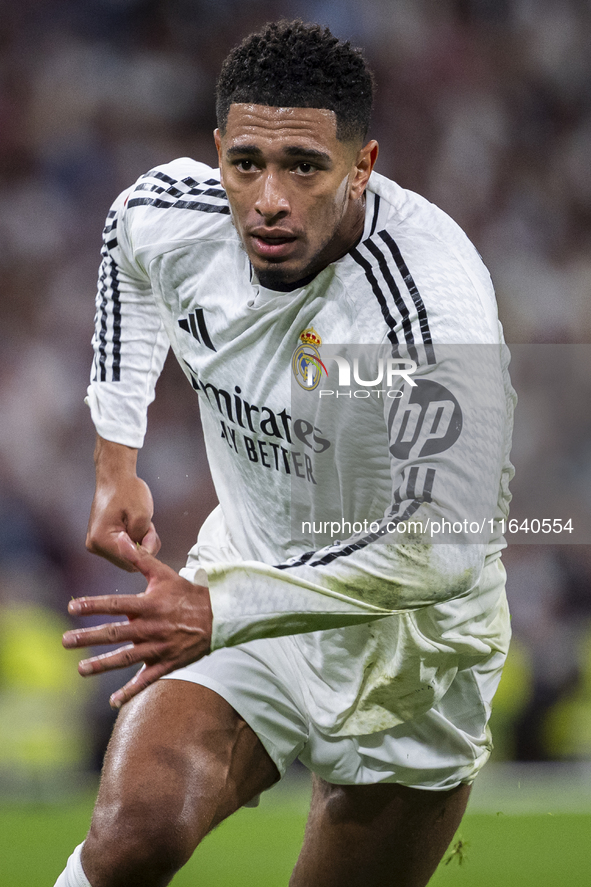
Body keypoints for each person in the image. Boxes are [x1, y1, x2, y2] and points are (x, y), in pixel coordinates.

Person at [55, 19, 514, 887]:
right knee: (129, 840)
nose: (269, 198)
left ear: (362, 166)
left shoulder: (430, 308)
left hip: (405, 642)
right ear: (219, 150)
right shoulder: (173, 215)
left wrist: (222, 611)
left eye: (304, 167)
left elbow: (442, 547)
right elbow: (126, 244)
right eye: (247, 164)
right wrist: (116, 455)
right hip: (245, 578)